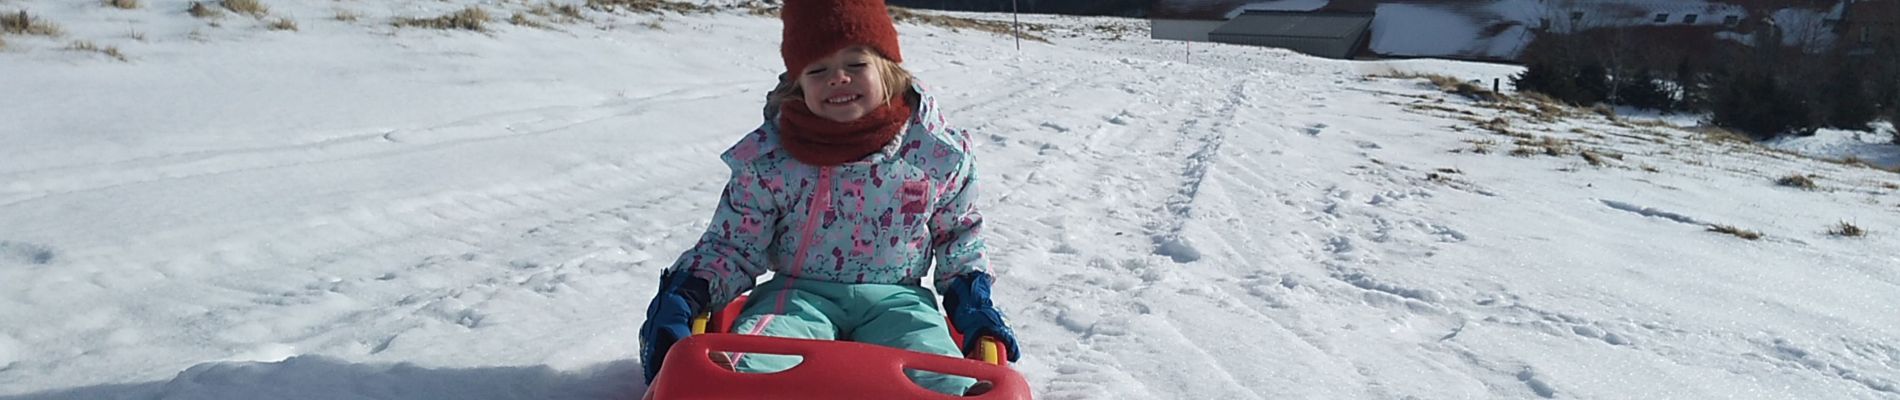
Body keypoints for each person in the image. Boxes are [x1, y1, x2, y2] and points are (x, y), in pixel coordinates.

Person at [636, 0, 1018, 395]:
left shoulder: (934, 155)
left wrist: (972, 300)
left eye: (856, 65)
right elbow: (734, 242)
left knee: (934, 368)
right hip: (797, 295)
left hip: (899, 300)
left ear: (888, 70)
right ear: (797, 83)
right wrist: (691, 289)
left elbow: (958, 236)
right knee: (761, 358)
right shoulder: (775, 160)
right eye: (818, 70)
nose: (838, 79)